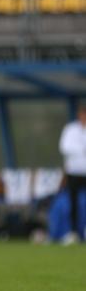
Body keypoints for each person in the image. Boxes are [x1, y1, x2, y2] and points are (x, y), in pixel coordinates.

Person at [59, 104, 86, 244]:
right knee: (73, 203)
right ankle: (74, 233)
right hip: (74, 172)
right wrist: (82, 149)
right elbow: (64, 147)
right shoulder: (70, 129)